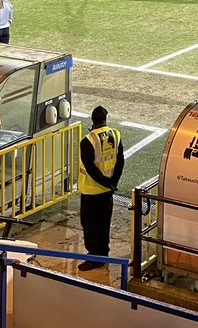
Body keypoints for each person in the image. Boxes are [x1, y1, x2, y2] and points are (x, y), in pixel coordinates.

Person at [78, 105, 124, 271]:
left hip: (91, 191)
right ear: (105, 119)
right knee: (104, 223)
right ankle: (104, 254)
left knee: (90, 225)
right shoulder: (115, 134)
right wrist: (113, 182)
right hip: (108, 191)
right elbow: (120, 160)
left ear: (93, 120)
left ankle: (94, 257)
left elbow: (90, 168)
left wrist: (105, 182)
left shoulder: (88, 140)